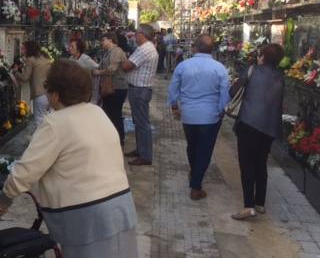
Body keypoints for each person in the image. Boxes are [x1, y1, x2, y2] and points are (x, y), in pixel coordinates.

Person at [0, 59, 144, 258]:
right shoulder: (97, 112)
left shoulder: (56, 123)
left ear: (55, 95)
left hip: (87, 216)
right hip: (120, 205)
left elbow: (24, 172)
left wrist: (2, 201)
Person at [168, 35, 230, 201]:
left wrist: (174, 105)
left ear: (195, 48)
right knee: (205, 149)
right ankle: (196, 186)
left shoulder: (183, 66)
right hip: (210, 116)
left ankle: (194, 172)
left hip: (188, 114)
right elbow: (224, 94)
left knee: (192, 145)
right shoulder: (220, 68)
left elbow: (173, 87)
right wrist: (221, 110)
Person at [231, 44, 285, 220]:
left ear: (262, 56)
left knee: (247, 165)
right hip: (269, 127)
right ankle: (260, 203)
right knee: (261, 163)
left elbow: (234, 92)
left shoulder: (253, 70)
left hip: (249, 123)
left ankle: (248, 206)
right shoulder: (281, 76)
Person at [122, 24, 159, 166]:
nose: (134, 36)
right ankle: (141, 150)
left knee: (142, 124)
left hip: (140, 90)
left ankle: (145, 155)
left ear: (142, 34)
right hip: (139, 89)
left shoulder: (145, 49)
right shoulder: (145, 48)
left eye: (136, 33)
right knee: (138, 122)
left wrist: (123, 58)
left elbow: (126, 66)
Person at [93, 32, 128, 146]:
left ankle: (119, 139)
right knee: (109, 112)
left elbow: (112, 69)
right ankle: (113, 138)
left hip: (117, 88)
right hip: (111, 87)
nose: (101, 43)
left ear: (110, 40)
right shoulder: (108, 52)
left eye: (103, 40)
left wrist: (99, 72)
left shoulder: (116, 51)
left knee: (115, 114)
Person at [12, 40, 51, 126]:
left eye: (23, 49)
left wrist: (15, 72)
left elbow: (25, 77)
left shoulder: (31, 60)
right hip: (49, 93)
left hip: (39, 93)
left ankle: (41, 139)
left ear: (29, 49)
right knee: (47, 119)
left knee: (39, 120)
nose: (22, 51)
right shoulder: (45, 57)